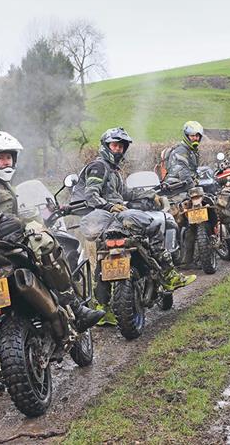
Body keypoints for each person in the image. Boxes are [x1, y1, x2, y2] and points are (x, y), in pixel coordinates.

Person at [0, 131, 104, 391]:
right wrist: (28, 223)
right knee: (49, 251)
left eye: (9, 158)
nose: (6, 163)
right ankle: (74, 305)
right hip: (2, 250)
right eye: (1, 159)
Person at [72, 127, 196, 324]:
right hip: (105, 216)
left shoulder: (113, 171)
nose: (118, 150)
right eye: (114, 145)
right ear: (105, 146)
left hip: (104, 221)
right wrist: (110, 206)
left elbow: (126, 194)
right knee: (153, 225)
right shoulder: (99, 166)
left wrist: (150, 195)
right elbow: (91, 194)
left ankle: (103, 310)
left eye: (121, 147)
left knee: (103, 264)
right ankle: (169, 273)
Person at [161, 120, 204, 189]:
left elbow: (192, 170)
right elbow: (183, 173)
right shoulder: (181, 151)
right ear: (186, 136)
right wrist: (193, 187)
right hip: (175, 187)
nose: (195, 138)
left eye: (197, 136)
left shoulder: (192, 150)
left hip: (184, 185)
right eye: (192, 136)